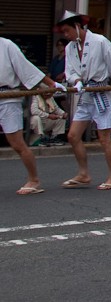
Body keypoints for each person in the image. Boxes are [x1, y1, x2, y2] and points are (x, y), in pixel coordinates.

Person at [58, 10, 111, 190]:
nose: (66, 35)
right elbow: (70, 71)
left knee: (104, 138)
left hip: (101, 93)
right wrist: (76, 81)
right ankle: (83, 173)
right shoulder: (70, 48)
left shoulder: (100, 41)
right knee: (73, 135)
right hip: (86, 94)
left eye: (67, 31)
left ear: (77, 26)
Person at [2, 23, 66, 194]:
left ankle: (34, 180)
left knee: (16, 143)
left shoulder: (7, 45)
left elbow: (28, 69)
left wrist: (52, 84)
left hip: (8, 97)